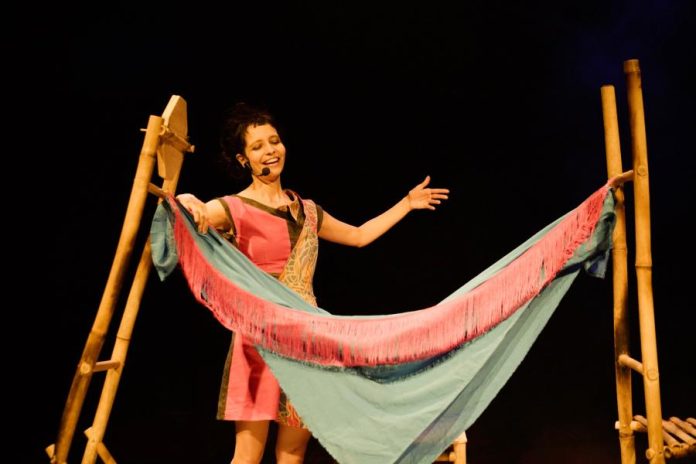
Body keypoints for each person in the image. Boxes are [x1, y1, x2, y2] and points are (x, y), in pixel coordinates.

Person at [176, 102, 449, 464]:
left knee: (292, 454)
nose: (270, 150)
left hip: (306, 342)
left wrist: (406, 204)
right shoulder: (233, 209)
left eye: (274, 141)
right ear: (243, 160)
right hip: (260, 343)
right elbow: (190, 211)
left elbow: (358, 236)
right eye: (257, 146)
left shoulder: (307, 211)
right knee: (248, 456)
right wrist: (188, 199)